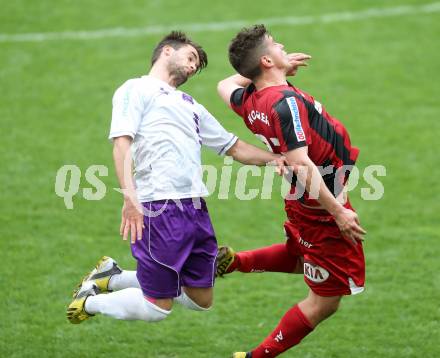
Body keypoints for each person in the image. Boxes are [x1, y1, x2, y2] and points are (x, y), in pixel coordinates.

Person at [66, 30, 286, 325]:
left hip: (195, 207)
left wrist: (278, 160)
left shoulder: (190, 104)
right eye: (191, 57)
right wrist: (130, 198)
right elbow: (122, 142)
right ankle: (90, 302)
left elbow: (233, 147)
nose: (194, 66)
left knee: (201, 299)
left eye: (197, 64)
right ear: (167, 51)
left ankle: (114, 277)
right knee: (157, 308)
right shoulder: (136, 89)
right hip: (159, 204)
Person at [216, 25, 366, 358]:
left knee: (303, 259)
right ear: (267, 60)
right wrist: (337, 211)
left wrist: (258, 74)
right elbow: (301, 163)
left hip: (301, 198)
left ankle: (235, 263)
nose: (282, 45)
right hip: (321, 203)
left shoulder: (252, 100)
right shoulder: (284, 104)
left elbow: (224, 84)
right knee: (324, 301)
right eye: (274, 46)